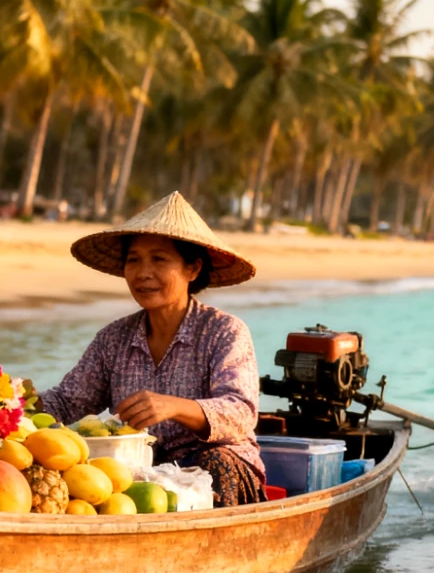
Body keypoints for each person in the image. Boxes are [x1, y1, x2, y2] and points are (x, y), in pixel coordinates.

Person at [40, 192, 265, 506]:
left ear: (193, 268)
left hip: (216, 468)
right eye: (134, 260)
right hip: (141, 476)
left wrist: (174, 406)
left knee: (217, 465)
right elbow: (67, 402)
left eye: (158, 259)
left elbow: (241, 413)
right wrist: (7, 401)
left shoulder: (224, 331)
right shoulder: (113, 339)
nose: (143, 273)